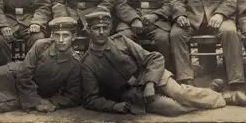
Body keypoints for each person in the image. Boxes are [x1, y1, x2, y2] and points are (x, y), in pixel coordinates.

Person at [81, 11, 227, 116]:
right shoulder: (88, 62)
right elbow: (91, 99)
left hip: (152, 75)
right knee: (173, 108)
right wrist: (113, 106)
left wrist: (150, 83)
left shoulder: (121, 41)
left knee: (179, 93)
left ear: (109, 28)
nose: (101, 32)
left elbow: (154, 58)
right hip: (133, 95)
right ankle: (209, 93)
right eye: (96, 28)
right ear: (89, 30)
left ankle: (223, 98)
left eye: (104, 28)